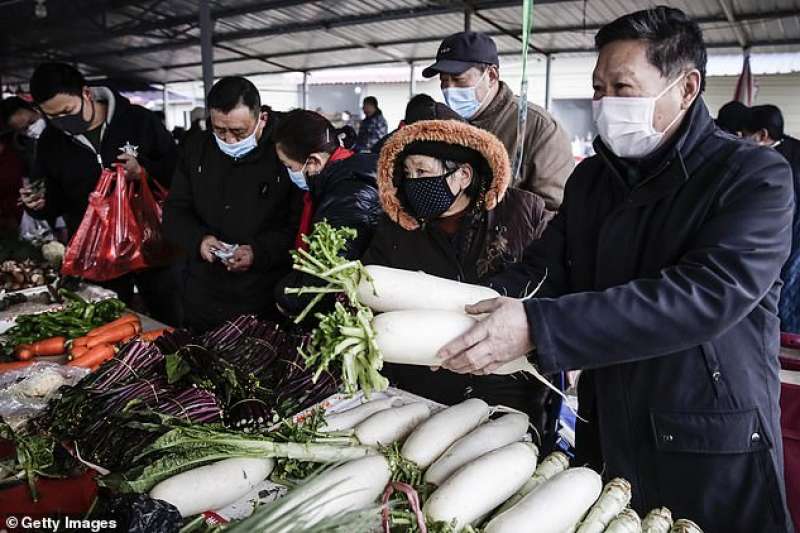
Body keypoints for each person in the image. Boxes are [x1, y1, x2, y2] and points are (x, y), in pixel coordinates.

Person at [435, 8, 794, 533]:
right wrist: (467, 307)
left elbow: (704, 295)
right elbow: (545, 271)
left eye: (622, 87)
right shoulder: (592, 182)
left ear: (686, 86)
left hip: (707, 435)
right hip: (610, 426)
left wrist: (538, 326)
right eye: (599, 88)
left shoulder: (752, 177)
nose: (604, 104)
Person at [363, 117, 556, 445]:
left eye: (422, 172)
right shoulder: (394, 230)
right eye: (407, 174)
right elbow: (373, 299)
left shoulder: (523, 213)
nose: (413, 182)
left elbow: (553, 282)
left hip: (508, 390)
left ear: (463, 175)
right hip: (425, 393)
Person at [23, 62, 179, 325]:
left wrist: (143, 171)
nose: (63, 120)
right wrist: (37, 204)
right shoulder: (51, 141)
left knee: (170, 316)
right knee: (107, 325)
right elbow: (53, 199)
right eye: (53, 116)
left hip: (152, 244)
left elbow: (176, 170)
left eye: (67, 111)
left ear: (86, 93)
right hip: (96, 255)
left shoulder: (138, 120)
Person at [163, 77, 301, 333]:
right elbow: (175, 210)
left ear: (262, 118)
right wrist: (199, 240)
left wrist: (258, 252)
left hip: (263, 295)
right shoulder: (196, 148)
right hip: (203, 291)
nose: (229, 140)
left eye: (239, 131)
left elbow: (297, 225)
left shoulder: (284, 153)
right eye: (219, 130)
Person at [422, 31, 574, 212]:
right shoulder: (443, 125)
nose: (448, 89)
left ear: (492, 76)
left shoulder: (539, 129)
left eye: (458, 79)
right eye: (443, 81)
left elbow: (553, 212)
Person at [273, 109, 381, 318]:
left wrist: (285, 295)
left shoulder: (350, 195)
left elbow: (327, 278)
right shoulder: (341, 176)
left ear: (313, 161)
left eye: (289, 166)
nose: (289, 173)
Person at [744, 104, 800, 334]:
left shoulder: (769, 164)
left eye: (743, 135)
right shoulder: (794, 148)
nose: (740, 141)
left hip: (790, 239)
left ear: (762, 135)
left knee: (785, 295)